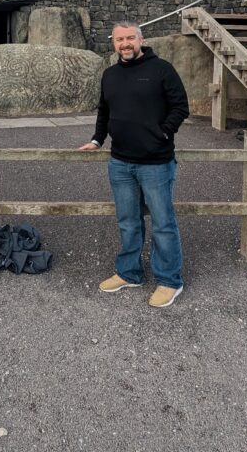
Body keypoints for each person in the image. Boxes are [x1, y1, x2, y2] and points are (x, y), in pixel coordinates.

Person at [79, 21, 190, 308]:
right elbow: (104, 110)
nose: (125, 44)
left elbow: (180, 106)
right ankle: (130, 273)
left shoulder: (162, 69)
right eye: (119, 39)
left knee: (163, 223)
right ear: (113, 43)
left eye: (130, 38)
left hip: (156, 163)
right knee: (128, 222)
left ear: (140, 39)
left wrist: (163, 133)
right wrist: (97, 139)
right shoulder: (110, 74)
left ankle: (170, 281)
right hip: (120, 162)